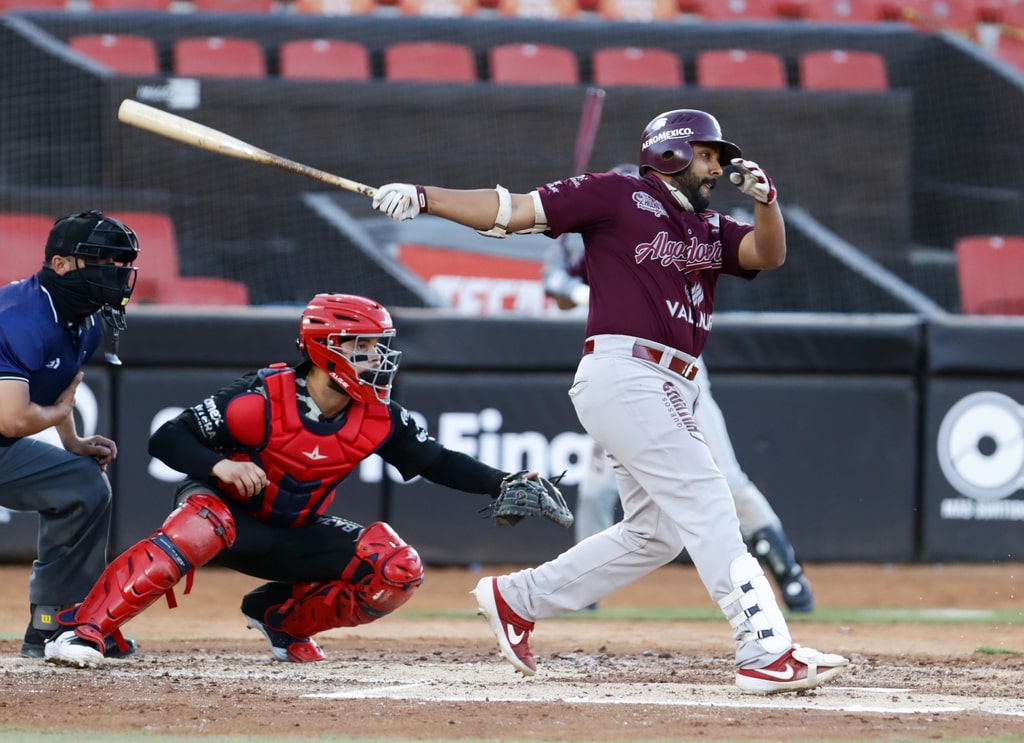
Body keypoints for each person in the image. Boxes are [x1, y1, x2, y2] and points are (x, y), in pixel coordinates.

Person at [369, 109, 849, 694]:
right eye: (708, 155)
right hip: (629, 372)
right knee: (706, 496)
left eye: (720, 159)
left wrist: (769, 201)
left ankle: (518, 599)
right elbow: (514, 211)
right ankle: (764, 649)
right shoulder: (617, 193)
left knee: (657, 533)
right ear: (672, 151)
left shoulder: (709, 226)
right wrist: (424, 197)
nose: (718, 168)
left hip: (675, 382)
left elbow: (765, 256)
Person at [44, 293, 566, 668]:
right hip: (225, 517)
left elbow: (436, 460)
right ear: (326, 348)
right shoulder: (258, 396)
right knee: (203, 521)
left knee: (396, 569)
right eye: (363, 347)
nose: (377, 360)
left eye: (377, 347)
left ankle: (280, 619)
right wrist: (219, 466)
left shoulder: (379, 414)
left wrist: (502, 482)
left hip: (293, 531)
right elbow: (167, 439)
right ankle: (86, 629)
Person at [544, 226, 815, 613]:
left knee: (728, 480)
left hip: (679, 374)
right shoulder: (605, 244)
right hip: (622, 377)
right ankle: (584, 598)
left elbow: (635, 300)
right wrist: (561, 280)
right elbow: (566, 297)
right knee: (595, 490)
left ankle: (788, 574)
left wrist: (571, 288)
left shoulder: (674, 240)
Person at [0, 210, 140, 659]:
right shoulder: (19, 317)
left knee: (83, 482)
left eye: (118, 262)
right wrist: (59, 411)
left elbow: (60, 385)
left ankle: (57, 621)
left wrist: (72, 440)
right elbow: (14, 421)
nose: (113, 273)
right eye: (99, 260)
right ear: (60, 265)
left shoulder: (88, 320)